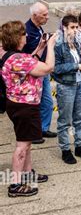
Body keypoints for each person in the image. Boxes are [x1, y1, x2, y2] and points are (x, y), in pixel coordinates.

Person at [0, 21, 57, 197]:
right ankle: (15, 185)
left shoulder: (11, 56)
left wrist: (40, 47)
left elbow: (30, 62)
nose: (26, 37)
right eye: (24, 35)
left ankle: (27, 173)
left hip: (17, 104)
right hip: (25, 106)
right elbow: (47, 68)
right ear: (18, 38)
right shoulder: (19, 59)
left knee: (27, 141)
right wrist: (51, 46)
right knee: (22, 146)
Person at [53, 15, 81, 164]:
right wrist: (76, 66)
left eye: (76, 27)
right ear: (64, 28)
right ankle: (65, 150)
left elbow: (79, 58)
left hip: (80, 82)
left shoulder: (74, 41)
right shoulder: (58, 44)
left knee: (79, 117)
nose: (75, 30)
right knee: (65, 120)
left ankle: (79, 146)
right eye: (72, 28)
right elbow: (55, 68)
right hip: (66, 85)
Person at [23, 2, 56, 144]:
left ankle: (43, 128)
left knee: (47, 102)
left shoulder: (38, 28)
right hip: (33, 73)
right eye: (44, 15)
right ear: (35, 15)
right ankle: (33, 133)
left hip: (43, 70)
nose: (47, 17)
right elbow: (24, 57)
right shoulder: (26, 31)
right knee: (34, 104)